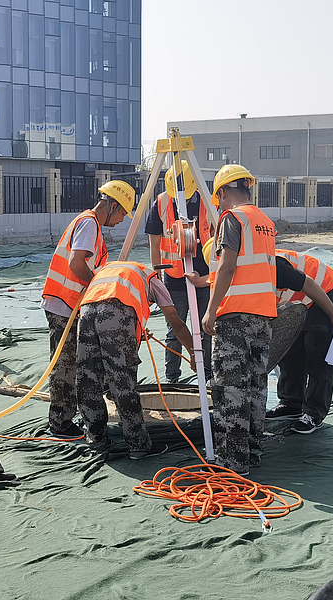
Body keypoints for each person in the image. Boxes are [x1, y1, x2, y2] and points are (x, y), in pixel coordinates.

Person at [40, 180, 135, 438]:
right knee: (65, 365)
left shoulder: (90, 225)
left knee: (71, 363)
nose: (121, 220)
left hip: (68, 304)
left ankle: (66, 418)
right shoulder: (89, 223)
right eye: (122, 213)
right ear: (112, 206)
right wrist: (97, 286)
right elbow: (76, 263)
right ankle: (60, 423)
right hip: (64, 304)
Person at [201, 164, 278, 474]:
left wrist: (211, 309)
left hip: (235, 316)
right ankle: (252, 452)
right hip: (263, 315)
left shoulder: (232, 218)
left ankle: (233, 461)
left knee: (230, 388)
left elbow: (228, 266)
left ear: (223, 192)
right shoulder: (265, 222)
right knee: (256, 385)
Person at [76, 260, 194, 459]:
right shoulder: (153, 280)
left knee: (88, 377)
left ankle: (96, 439)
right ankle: (138, 445)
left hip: (87, 310)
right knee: (122, 380)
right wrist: (193, 353)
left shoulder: (111, 270)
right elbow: (176, 322)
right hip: (116, 309)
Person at [145, 160, 214, 383]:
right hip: (174, 278)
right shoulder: (161, 203)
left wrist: (210, 276)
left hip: (203, 276)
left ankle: (207, 375)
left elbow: (216, 238)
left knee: (205, 328)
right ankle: (172, 378)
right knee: (175, 328)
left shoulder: (206, 202)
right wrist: (156, 278)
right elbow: (154, 244)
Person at [265, 249, 333, 434]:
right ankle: (291, 403)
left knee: (319, 355)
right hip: (297, 301)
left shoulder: (272, 266)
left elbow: (308, 283)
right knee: (290, 350)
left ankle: (314, 413)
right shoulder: (236, 275)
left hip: (325, 292)